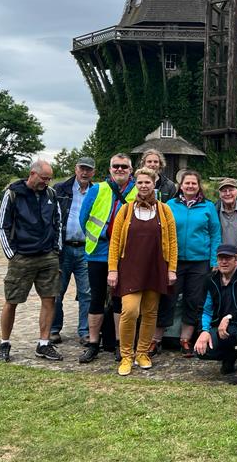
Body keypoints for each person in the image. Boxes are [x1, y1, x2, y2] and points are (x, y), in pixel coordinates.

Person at [108, 167, 178, 376]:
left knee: (150, 313)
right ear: (135, 184)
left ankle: (142, 353)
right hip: (129, 267)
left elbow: (173, 242)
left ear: (154, 184)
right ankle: (126, 356)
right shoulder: (126, 210)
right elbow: (115, 242)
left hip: (155, 267)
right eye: (140, 182)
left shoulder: (165, 211)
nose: (144, 186)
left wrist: (171, 269)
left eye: (147, 182)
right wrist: (113, 269)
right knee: (129, 311)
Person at [0, 159, 63, 362]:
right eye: (44, 178)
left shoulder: (51, 195)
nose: (47, 182)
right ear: (32, 174)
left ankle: (43, 344)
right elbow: (2, 226)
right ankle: (4, 343)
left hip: (48, 256)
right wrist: (12, 254)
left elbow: (57, 221)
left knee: (49, 299)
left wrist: (56, 250)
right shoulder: (12, 194)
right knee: (12, 301)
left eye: (49, 179)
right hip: (22, 257)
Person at [77, 154, 137, 364]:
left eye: (124, 166)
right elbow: (83, 218)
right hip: (98, 252)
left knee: (120, 300)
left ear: (131, 169)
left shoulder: (138, 191)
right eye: (115, 166)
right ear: (110, 169)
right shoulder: (98, 189)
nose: (119, 169)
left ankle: (120, 344)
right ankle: (93, 343)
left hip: (125, 255)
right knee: (96, 298)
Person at [160, 170, 221, 357]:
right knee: (167, 299)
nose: (190, 186)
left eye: (194, 183)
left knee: (193, 301)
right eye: (187, 183)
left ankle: (185, 340)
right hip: (174, 261)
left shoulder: (207, 207)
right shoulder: (170, 205)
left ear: (198, 186)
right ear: (181, 185)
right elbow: (162, 232)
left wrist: (213, 260)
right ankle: (156, 339)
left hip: (199, 262)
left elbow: (215, 234)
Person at [194, 244, 237, 385]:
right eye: (220, 258)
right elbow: (205, 309)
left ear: (236, 260)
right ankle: (229, 356)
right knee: (200, 350)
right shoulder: (211, 280)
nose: (224, 262)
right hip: (222, 330)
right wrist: (204, 331)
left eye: (228, 258)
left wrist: (229, 317)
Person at [51, 156, 95, 345]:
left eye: (89, 169)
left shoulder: (96, 191)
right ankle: (53, 329)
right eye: (82, 168)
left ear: (94, 172)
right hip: (63, 247)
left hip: (86, 248)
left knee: (87, 293)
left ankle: (84, 331)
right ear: (75, 169)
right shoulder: (60, 189)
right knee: (56, 291)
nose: (85, 172)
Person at [215, 178, 237, 250]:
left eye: (231, 190)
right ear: (219, 194)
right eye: (224, 191)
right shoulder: (213, 212)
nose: (228, 193)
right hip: (221, 257)